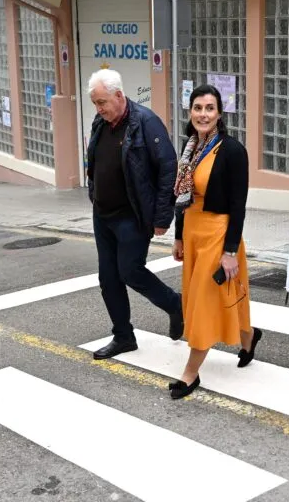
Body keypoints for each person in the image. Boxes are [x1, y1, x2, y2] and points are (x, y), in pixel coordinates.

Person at [84, 69, 184, 360]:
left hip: (133, 213)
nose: (99, 109)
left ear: (118, 95)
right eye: (95, 103)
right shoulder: (100, 122)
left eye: (102, 102)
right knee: (108, 278)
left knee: (130, 270)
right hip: (103, 214)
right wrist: (94, 192)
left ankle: (175, 304)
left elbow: (168, 168)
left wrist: (163, 217)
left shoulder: (146, 122)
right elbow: (95, 159)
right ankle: (123, 336)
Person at [169, 84, 260, 400]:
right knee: (215, 297)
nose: (203, 114)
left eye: (209, 108)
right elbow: (184, 197)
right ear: (190, 111)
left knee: (205, 303)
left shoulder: (232, 151)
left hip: (218, 236)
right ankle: (248, 338)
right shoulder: (190, 147)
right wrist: (179, 236)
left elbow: (238, 205)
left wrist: (230, 251)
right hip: (193, 232)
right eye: (197, 107)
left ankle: (190, 374)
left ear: (220, 114)